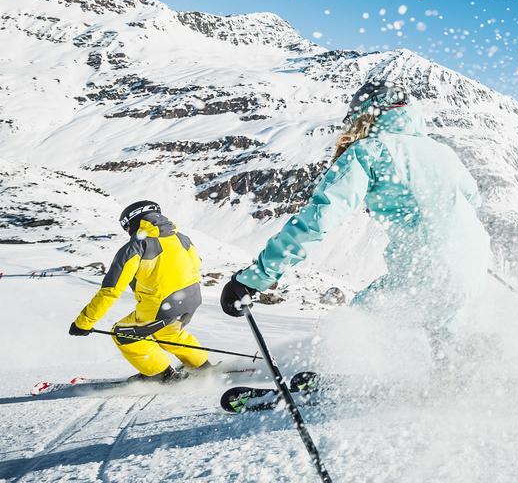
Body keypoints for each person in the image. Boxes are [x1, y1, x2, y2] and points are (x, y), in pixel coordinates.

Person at [220, 79, 492, 361]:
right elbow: (472, 202)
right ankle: (455, 382)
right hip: (473, 264)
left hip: (426, 271)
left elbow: (320, 218)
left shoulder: (371, 150)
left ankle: (348, 381)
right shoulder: (442, 152)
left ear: (366, 115)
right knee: (442, 340)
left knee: (359, 323)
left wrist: (255, 278)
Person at [69, 200, 209, 381]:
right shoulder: (181, 238)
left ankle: (161, 375)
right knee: (170, 333)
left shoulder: (136, 247)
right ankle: (203, 367)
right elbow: (196, 264)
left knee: (124, 333)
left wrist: (84, 323)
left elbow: (111, 290)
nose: (128, 232)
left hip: (162, 306)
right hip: (191, 298)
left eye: (126, 227)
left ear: (133, 221)